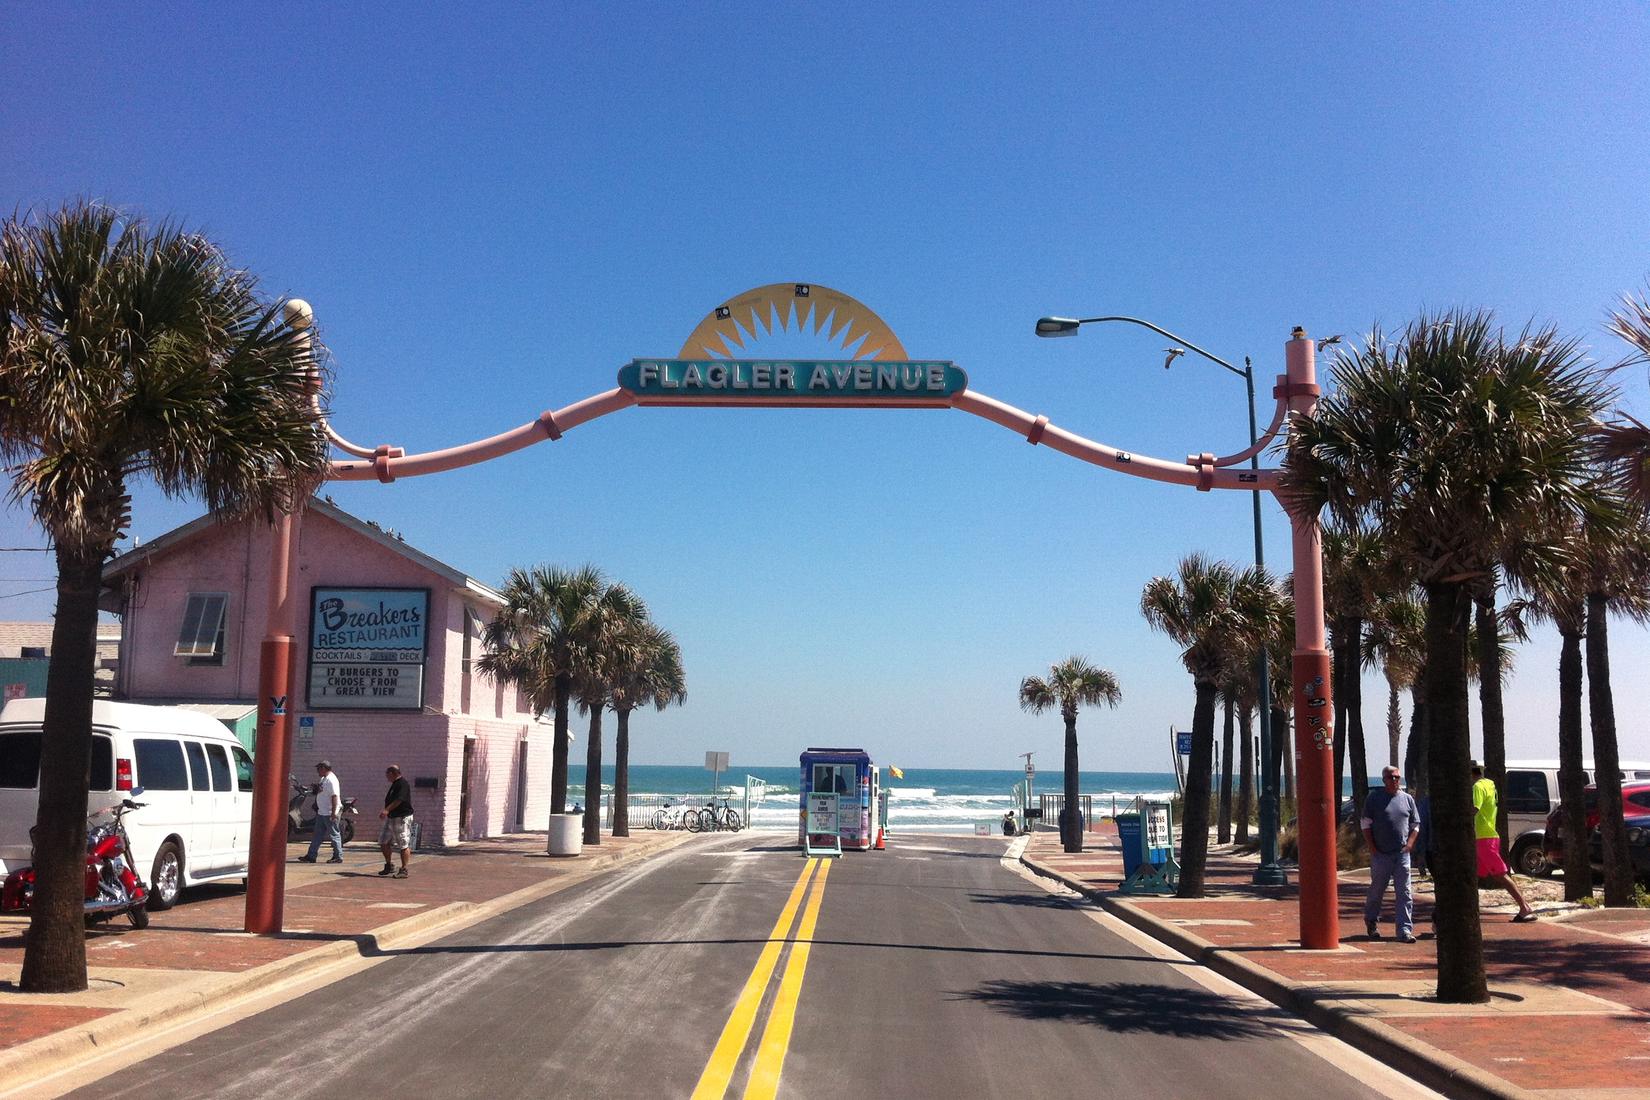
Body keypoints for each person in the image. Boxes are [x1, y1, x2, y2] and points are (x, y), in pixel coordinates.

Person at [1361, 765, 1421, 942]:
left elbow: (1415, 824)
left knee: (1404, 892)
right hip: (1381, 854)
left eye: (1397, 777)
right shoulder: (1374, 799)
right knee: (1377, 890)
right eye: (1390, 777)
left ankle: (1404, 930)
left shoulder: (1407, 799)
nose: (1394, 780)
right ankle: (1371, 921)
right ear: (1383, 780)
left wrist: (1410, 844)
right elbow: (1365, 824)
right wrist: (1372, 847)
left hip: (1402, 854)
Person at [1472, 761, 1536, 922]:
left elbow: (1474, 809)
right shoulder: (1490, 785)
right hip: (1488, 836)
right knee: (1474, 874)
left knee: (1500, 874)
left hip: (1483, 837)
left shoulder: (1477, 787)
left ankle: (1524, 907)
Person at [298, 761, 343, 864]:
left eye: (318, 768)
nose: (317, 771)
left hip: (329, 812)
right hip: (322, 812)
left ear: (324, 768)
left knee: (334, 834)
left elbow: (334, 796)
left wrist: (333, 812)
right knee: (317, 834)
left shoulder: (332, 780)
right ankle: (311, 856)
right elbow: (320, 791)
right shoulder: (324, 779)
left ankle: (338, 856)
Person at [378, 764, 415, 878]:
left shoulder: (402, 784)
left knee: (403, 843)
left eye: (387, 774)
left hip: (401, 817)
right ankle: (389, 865)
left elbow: (399, 799)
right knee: (384, 841)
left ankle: (404, 869)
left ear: (393, 773)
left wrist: (386, 810)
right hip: (391, 818)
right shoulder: (394, 784)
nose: (386, 777)